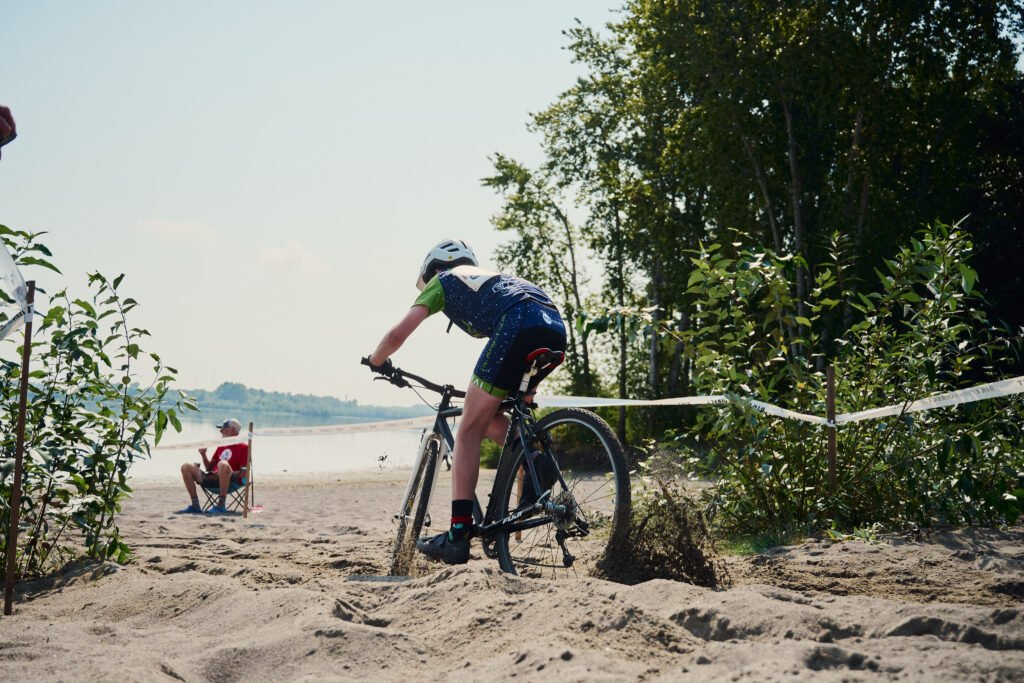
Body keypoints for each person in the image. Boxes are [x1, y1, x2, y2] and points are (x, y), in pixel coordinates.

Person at [368, 239, 567, 564]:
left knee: (467, 431)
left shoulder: (444, 280)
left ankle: (458, 535)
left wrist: (377, 361)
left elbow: (396, 335)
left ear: (434, 269)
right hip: (553, 327)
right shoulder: (491, 280)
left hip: (518, 324)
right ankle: (535, 460)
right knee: (487, 418)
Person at [178, 418, 248, 514]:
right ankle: (195, 505)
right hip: (212, 479)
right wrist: (203, 455)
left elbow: (244, 473)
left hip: (230, 481)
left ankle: (221, 505)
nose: (220, 431)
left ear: (233, 430)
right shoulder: (221, 445)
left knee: (222, 464)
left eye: (224, 428)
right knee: (186, 466)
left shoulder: (244, 447)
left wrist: (224, 473)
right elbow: (209, 468)